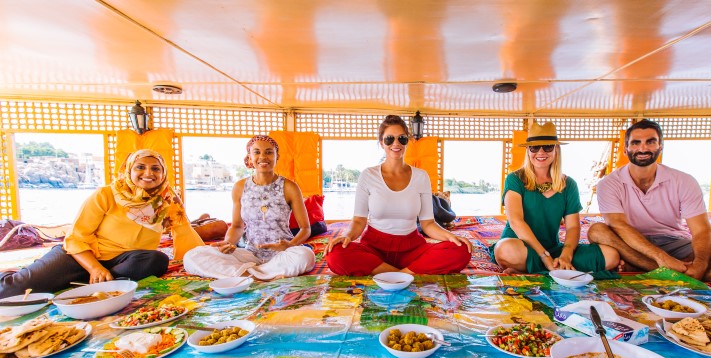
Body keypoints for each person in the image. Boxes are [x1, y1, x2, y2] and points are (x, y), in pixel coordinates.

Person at [588, 119, 711, 283]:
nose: (643, 148)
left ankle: (658, 270)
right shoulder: (609, 183)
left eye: (650, 142)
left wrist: (699, 266)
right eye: (635, 143)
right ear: (625, 149)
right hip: (631, 245)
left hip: (674, 243)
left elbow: (701, 230)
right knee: (597, 231)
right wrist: (661, 257)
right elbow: (619, 226)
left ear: (660, 147)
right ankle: (678, 273)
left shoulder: (683, 180)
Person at [0, 150, 177, 297]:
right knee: (11, 290)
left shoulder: (165, 202)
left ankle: (94, 282)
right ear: (129, 170)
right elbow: (76, 237)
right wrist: (94, 267)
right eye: (140, 167)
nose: (148, 173)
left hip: (123, 261)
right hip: (81, 256)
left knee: (157, 260)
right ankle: (85, 277)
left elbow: (182, 229)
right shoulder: (107, 194)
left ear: (163, 174)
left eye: (156, 169)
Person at [324, 115, 472, 276]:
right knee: (335, 254)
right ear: (381, 143)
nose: (396, 143)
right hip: (374, 248)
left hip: (412, 248)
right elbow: (359, 220)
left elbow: (428, 223)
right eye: (389, 139)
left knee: (461, 250)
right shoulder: (368, 175)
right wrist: (346, 236)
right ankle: (405, 275)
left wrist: (451, 237)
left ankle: (393, 274)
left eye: (401, 138)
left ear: (407, 141)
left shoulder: (421, 176)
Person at [490, 121, 619, 274]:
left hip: (554, 250)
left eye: (548, 147)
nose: (541, 152)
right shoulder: (515, 179)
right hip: (520, 245)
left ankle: (535, 268)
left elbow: (572, 227)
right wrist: (544, 256)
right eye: (535, 147)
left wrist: (566, 255)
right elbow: (516, 221)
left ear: (556, 150)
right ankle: (550, 268)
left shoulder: (569, 184)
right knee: (504, 250)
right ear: (528, 151)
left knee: (611, 256)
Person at [183, 135, 315, 280]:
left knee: (306, 256)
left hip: (282, 254)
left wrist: (290, 244)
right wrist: (228, 243)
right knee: (192, 256)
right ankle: (262, 275)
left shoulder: (289, 187)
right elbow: (237, 226)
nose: (263, 157)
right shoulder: (240, 187)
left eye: (269, 152)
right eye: (257, 152)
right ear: (250, 157)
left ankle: (246, 275)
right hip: (250, 254)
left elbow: (305, 229)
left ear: (277, 156)